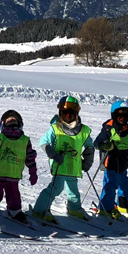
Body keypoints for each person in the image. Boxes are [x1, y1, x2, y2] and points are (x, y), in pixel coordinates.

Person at [31, 95, 94, 223]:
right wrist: (53, 154)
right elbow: (43, 143)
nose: (68, 116)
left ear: (76, 114)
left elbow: (89, 146)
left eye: (71, 114)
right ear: (60, 113)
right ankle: (40, 209)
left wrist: (88, 160)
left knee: (73, 189)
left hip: (73, 166)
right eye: (65, 114)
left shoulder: (83, 130)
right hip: (59, 165)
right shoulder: (55, 128)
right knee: (56, 188)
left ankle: (74, 208)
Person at [93, 101, 128, 219]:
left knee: (125, 184)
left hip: (123, 163)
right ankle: (105, 209)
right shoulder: (109, 128)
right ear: (114, 116)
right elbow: (96, 143)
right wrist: (104, 145)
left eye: (125, 116)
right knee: (110, 184)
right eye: (119, 115)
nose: (122, 118)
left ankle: (124, 206)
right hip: (110, 163)